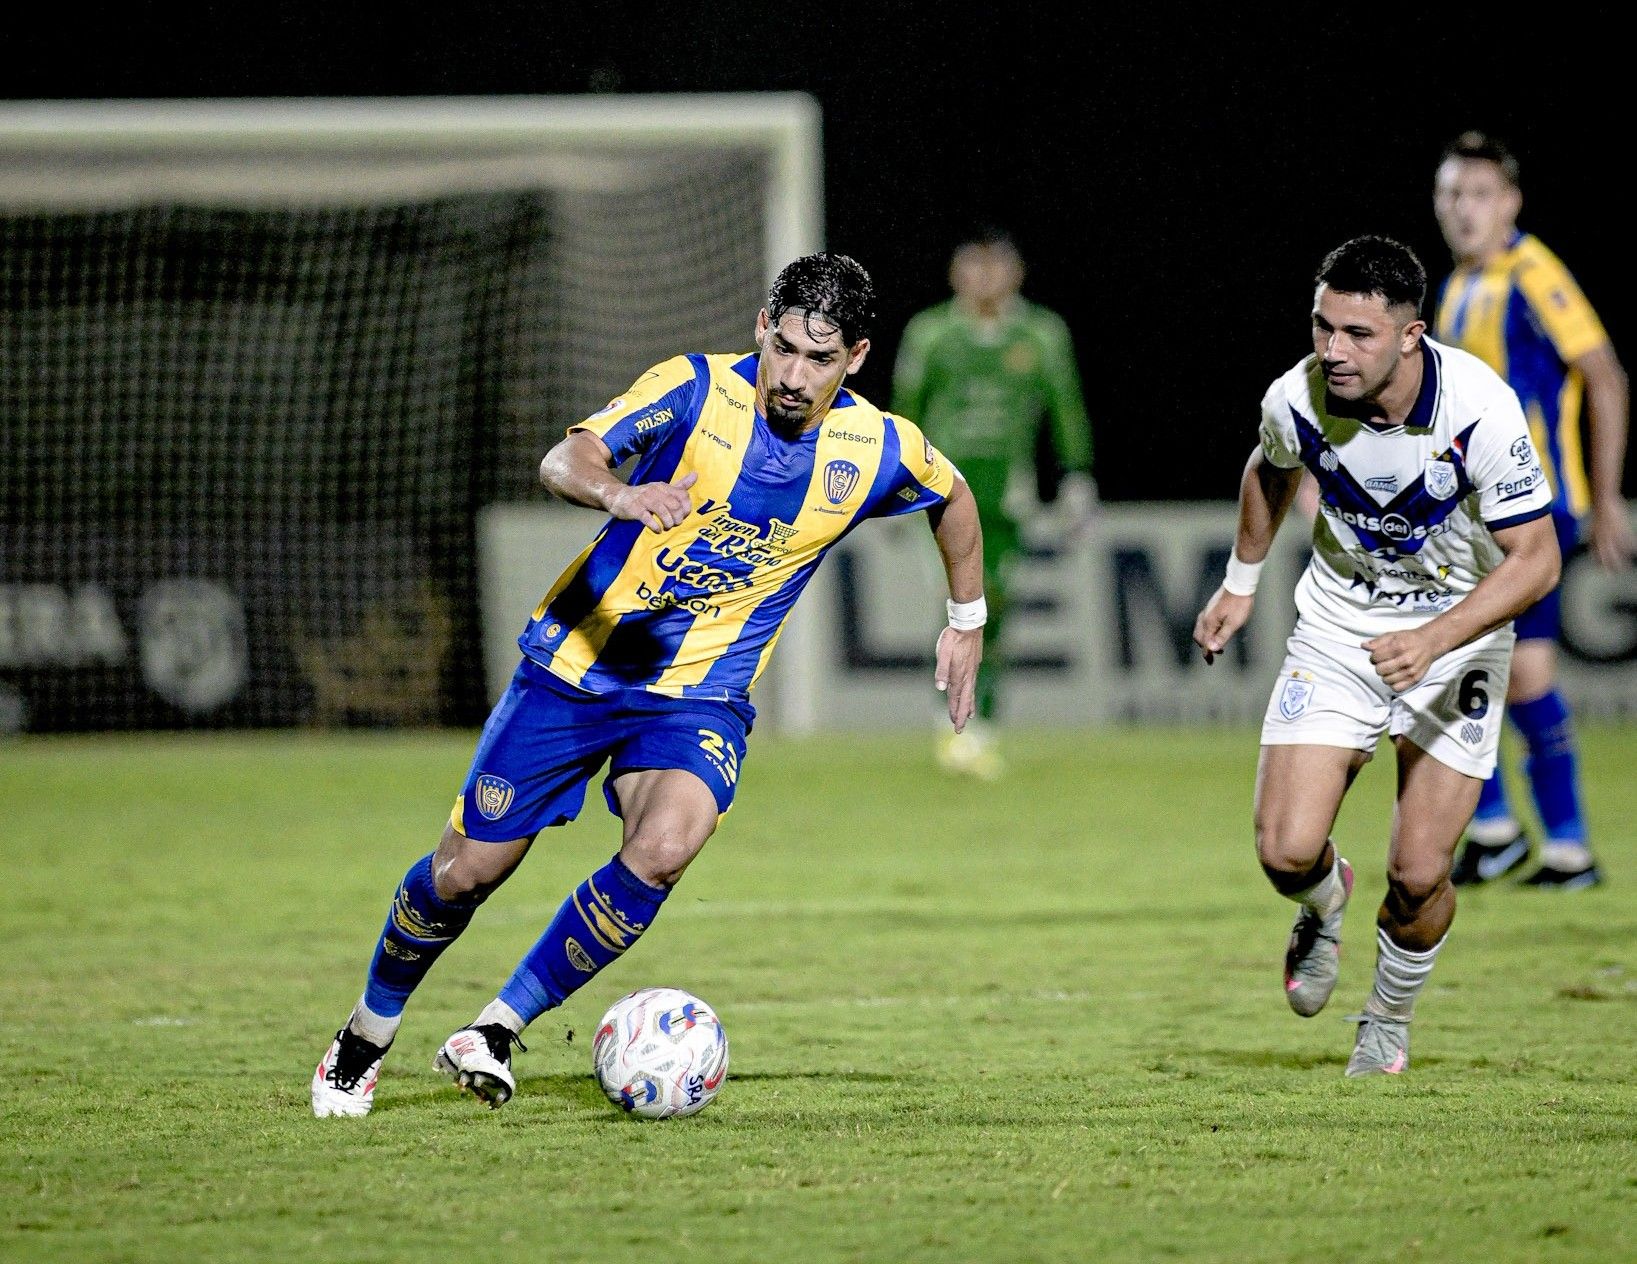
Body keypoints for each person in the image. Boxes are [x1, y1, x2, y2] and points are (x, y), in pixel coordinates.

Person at [312, 253, 986, 1116]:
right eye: (782, 349)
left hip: (698, 696)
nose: (792, 375)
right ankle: (364, 1036)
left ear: (854, 359)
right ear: (759, 328)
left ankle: (495, 1029)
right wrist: (616, 496)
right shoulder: (694, 391)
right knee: (465, 873)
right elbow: (566, 458)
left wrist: (966, 622)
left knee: (667, 845)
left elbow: (953, 496)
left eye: (818, 360)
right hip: (573, 671)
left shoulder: (877, 445)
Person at [1193, 235, 1560, 1076]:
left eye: (1357, 334)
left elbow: (1535, 560)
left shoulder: (1478, 409)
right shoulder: (1297, 396)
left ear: (1409, 335)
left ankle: (1385, 1019)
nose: (1333, 351)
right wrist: (1240, 582)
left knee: (1421, 871)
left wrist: (1435, 639)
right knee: (1284, 850)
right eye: (1323, 327)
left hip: (1454, 642)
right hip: (1335, 630)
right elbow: (1268, 466)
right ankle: (1324, 903)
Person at [1432, 130, 1633, 890]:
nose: (1463, 209)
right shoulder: (1457, 285)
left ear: (1509, 202)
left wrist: (1606, 497)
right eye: (1451, 193)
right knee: (1458, 665)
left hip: (1536, 509)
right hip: (1476, 515)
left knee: (1520, 676)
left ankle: (1567, 848)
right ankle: (1498, 833)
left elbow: (1604, 376)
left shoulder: (1532, 273)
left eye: (1478, 194)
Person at [891, 227, 1095, 780]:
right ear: (957, 272)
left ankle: (980, 725)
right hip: (943, 497)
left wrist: (1077, 475)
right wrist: (890, 483)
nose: (984, 277)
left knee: (994, 611)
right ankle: (952, 727)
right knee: (954, 608)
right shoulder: (932, 334)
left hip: (1007, 500)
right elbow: (905, 412)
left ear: (1015, 272)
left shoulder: (1041, 334)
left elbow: (1065, 407)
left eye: (995, 266)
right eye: (973, 265)